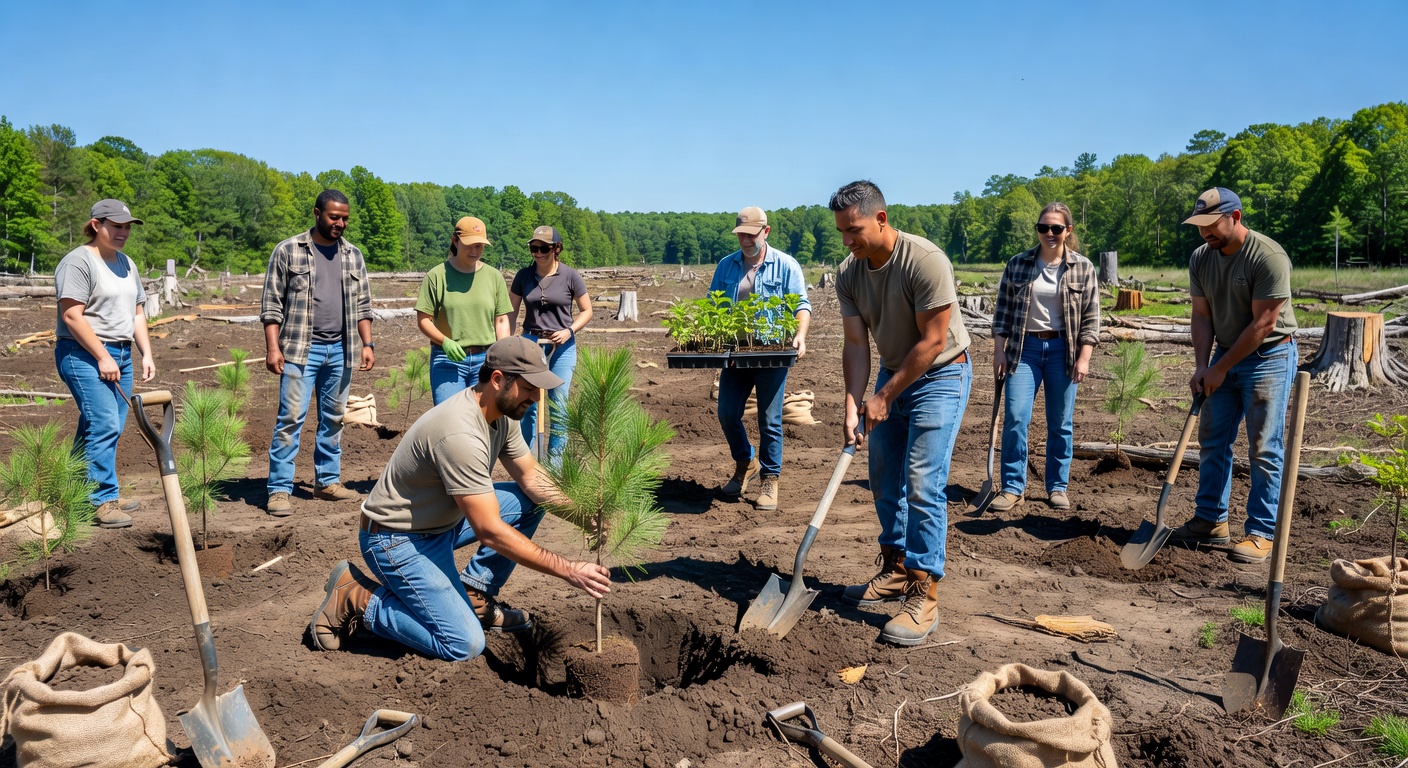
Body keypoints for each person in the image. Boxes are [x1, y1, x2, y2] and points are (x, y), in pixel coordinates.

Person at [308, 336, 613, 660]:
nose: (536, 397)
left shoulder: (502, 414)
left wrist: (580, 514)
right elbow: (490, 531)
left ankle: (476, 593)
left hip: (440, 523)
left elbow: (531, 477)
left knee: (531, 501)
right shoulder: (460, 434)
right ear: (498, 380)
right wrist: (569, 570)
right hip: (395, 540)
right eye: (528, 388)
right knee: (463, 644)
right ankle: (357, 597)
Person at [831, 181, 972, 646]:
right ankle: (894, 568)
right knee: (882, 472)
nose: (847, 241)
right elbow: (856, 344)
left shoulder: (925, 260)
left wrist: (884, 397)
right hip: (893, 372)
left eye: (854, 230)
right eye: (842, 232)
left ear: (881, 219)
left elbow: (933, 341)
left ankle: (923, 590)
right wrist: (854, 402)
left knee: (922, 480)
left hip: (942, 374)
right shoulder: (849, 274)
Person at [1170, 187, 1298, 564]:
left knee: (1263, 447)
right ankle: (1211, 520)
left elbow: (1264, 323)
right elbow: (1202, 316)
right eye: (1199, 226)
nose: (1205, 233)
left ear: (1235, 217)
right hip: (1224, 354)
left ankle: (1261, 532)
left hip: (1269, 356)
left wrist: (1220, 368)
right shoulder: (1201, 258)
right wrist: (1202, 365)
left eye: (1211, 224)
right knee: (1212, 439)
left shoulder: (1268, 257)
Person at [261, 189, 375, 517]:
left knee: (334, 419)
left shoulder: (353, 255)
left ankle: (327, 482)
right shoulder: (288, 251)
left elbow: (364, 305)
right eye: (333, 217)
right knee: (291, 418)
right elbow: (271, 304)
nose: (340, 223)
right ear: (317, 213)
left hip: (342, 349)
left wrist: (367, 344)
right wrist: (273, 348)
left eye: (345, 219)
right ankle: (279, 489)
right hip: (299, 349)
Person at [988, 203, 1101, 513]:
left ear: (1068, 231)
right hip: (1024, 351)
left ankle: (1057, 487)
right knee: (1016, 417)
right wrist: (999, 350)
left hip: (1064, 352)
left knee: (1060, 423)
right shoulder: (1018, 264)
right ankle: (1012, 487)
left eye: (1056, 228)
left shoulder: (1083, 267)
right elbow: (1002, 312)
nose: (1049, 234)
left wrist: (1084, 357)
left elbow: (1091, 317)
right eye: (1043, 228)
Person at [54, 199, 156, 529]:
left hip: (121, 355)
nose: (123, 232)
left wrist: (147, 353)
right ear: (97, 225)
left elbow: (137, 312)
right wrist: (102, 356)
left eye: (127, 227)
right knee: (105, 424)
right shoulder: (78, 262)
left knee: (98, 426)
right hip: (82, 354)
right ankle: (103, 498)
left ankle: (75, 491)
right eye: (117, 226)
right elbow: (72, 315)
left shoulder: (127, 263)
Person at [708, 207, 811, 511]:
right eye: (740, 234)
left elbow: (801, 305)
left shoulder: (786, 265)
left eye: (750, 235)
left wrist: (800, 334)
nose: (744, 240)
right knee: (727, 413)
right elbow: (712, 307)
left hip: (772, 353)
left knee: (769, 419)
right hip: (736, 354)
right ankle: (745, 463)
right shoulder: (726, 266)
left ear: (765, 232)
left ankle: (770, 478)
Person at [509, 225, 592, 464]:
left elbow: (587, 311)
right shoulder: (523, 276)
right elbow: (510, 312)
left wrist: (569, 331)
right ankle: (528, 463)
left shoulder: (570, 276)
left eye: (543, 248)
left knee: (559, 403)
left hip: (562, 346)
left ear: (556, 248)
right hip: (531, 343)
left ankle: (555, 465)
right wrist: (510, 339)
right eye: (534, 248)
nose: (538, 253)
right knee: (528, 405)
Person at [416, 216, 511, 405]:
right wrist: (445, 341)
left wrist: (503, 354)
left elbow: (501, 320)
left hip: (486, 360)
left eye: (479, 246)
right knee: (451, 420)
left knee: (483, 420)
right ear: (455, 241)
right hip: (447, 360)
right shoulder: (437, 276)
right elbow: (424, 319)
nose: (474, 251)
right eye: (469, 245)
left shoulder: (494, 277)